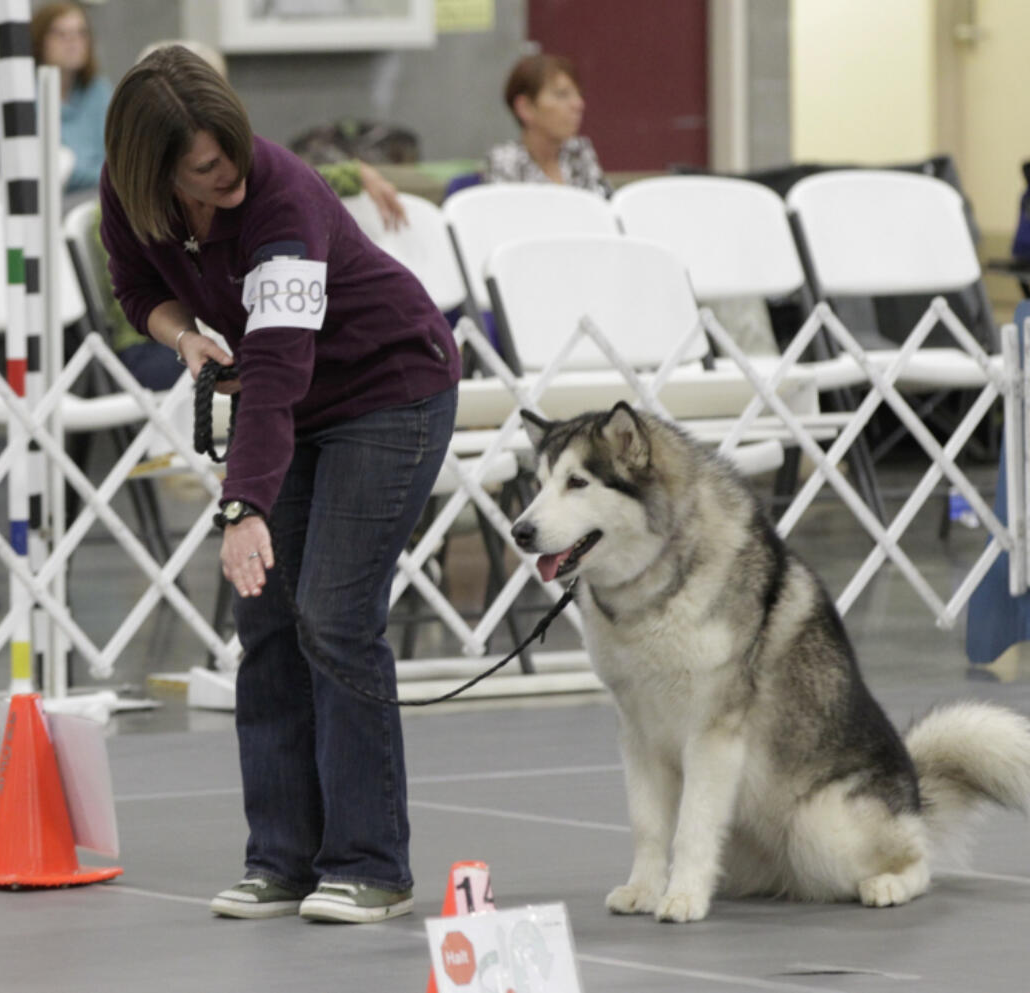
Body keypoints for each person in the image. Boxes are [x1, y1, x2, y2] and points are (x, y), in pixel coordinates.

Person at [100, 45, 460, 923]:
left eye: (229, 160)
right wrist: (183, 333)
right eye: (201, 173)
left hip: (390, 390)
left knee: (335, 615)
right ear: (151, 171)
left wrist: (242, 505)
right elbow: (135, 284)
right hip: (297, 403)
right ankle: (281, 860)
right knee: (266, 624)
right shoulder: (126, 192)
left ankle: (370, 863)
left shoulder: (284, 201)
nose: (224, 181)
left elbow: (275, 373)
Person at [91, 38, 409, 392]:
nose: (202, 108)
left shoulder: (253, 176)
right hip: (154, 344)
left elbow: (289, 185)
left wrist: (357, 173)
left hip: (283, 353)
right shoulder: (121, 200)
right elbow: (135, 291)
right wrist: (185, 338)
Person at [0, 2, 112, 196]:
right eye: (61, 34)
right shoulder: (21, 95)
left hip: (93, 197)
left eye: (81, 33)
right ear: (40, 40)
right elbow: (35, 169)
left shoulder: (99, 92)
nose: (73, 41)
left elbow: (113, 160)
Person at [486, 53, 611, 197]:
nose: (578, 104)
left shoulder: (579, 152)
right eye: (562, 95)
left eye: (578, 94)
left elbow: (604, 210)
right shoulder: (506, 162)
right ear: (525, 108)